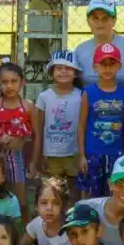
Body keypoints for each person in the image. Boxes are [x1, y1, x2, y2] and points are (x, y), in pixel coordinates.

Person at [0, 61, 35, 224]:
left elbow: (36, 134)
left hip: (17, 157)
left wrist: (34, 160)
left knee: (21, 200)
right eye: (4, 82)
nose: (9, 86)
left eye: (14, 81)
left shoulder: (28, 107)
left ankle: (26, 232)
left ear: (22, 82)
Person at [77, 43, 124, 198]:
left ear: (119, 66)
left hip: (116, 154)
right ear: (95, 67)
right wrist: (81, 155)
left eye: (112, 64)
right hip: (93, 153)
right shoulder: (88, 92)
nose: (107, 69)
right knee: (90, 197)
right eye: (103, 64)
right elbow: (81, 126)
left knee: (115, 195)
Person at [33, 51, 84, 197]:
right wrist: (39, 156)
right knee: (54, 191)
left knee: (75, 191)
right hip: (52, 154)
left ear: (76, 73)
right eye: (59, 68)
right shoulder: (44, 97)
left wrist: (82, 153)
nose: (63, 71)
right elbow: (40, 128)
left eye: (68, 68)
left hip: (74, 153)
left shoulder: (81, 95)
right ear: (52, 72)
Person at [73, 0, 124, 86]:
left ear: (114, 20)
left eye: (105, 18)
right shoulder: (80, 50)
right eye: (95, 18)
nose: (100, 22)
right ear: (88, 21)